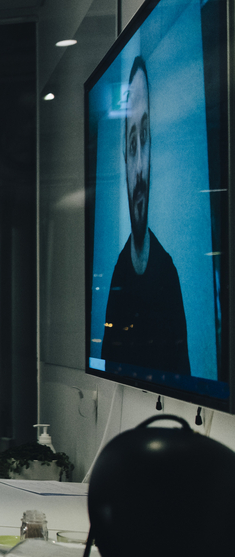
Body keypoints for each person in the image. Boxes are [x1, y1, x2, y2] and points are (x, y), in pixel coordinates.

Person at [101, 56, 191, 376]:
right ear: (124, 160)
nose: (139, 166)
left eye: (145, 138)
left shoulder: (167, 275)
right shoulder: (118, 274)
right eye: (131, 142)